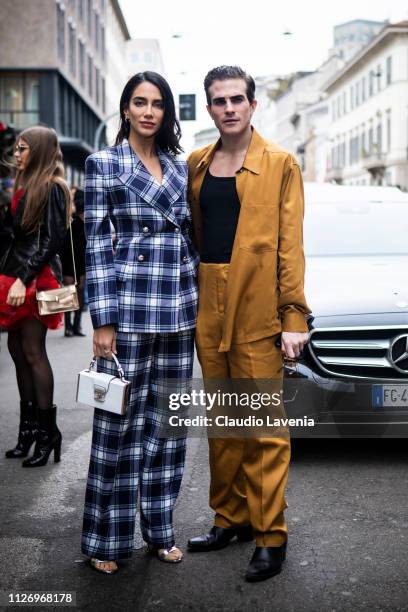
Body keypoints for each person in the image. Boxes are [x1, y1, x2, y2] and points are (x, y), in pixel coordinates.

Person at [186, 66, 311, 582]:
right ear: (210, 109)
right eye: (219, 101)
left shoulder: (279, 163)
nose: (229, 108)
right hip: (207, 302)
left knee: (263, 427)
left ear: (253, 105)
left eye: (238, 98)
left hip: (258, 305)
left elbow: (289, 247)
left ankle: (270, 533)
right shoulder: (196, 163)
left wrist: (293, 315)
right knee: (223, 422)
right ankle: (230, 517)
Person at [81, 71, 198, 574]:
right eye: (139, 102)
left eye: (157, 104)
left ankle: (160, 529)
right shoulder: (102, 164)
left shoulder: (180, 167)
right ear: (125, 109)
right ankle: (105, 539)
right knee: (118, 428)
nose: (149, 111)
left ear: (167, 112)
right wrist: (102, 319)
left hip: (178, 311)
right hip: (127, 313)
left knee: (169, 428)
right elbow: (94, 247)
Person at [0, 126, 70, 467]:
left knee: (33, 352)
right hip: (15, 274)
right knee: (17, 351)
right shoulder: (23, 183)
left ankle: (47, 433)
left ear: (39, 151)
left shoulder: (53, 187)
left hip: (34, 278)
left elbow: (52, 240)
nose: (17, 154)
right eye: (16, 148)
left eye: (24, 149)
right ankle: (27, 433)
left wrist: (22, 279)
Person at [61, 187, 86, 337]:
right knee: (69, 293)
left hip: (81, 262)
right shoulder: (71, 223)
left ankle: (77, 325)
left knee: (80, 294)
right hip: (68, 261)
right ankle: (68, 326)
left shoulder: (86, 225)